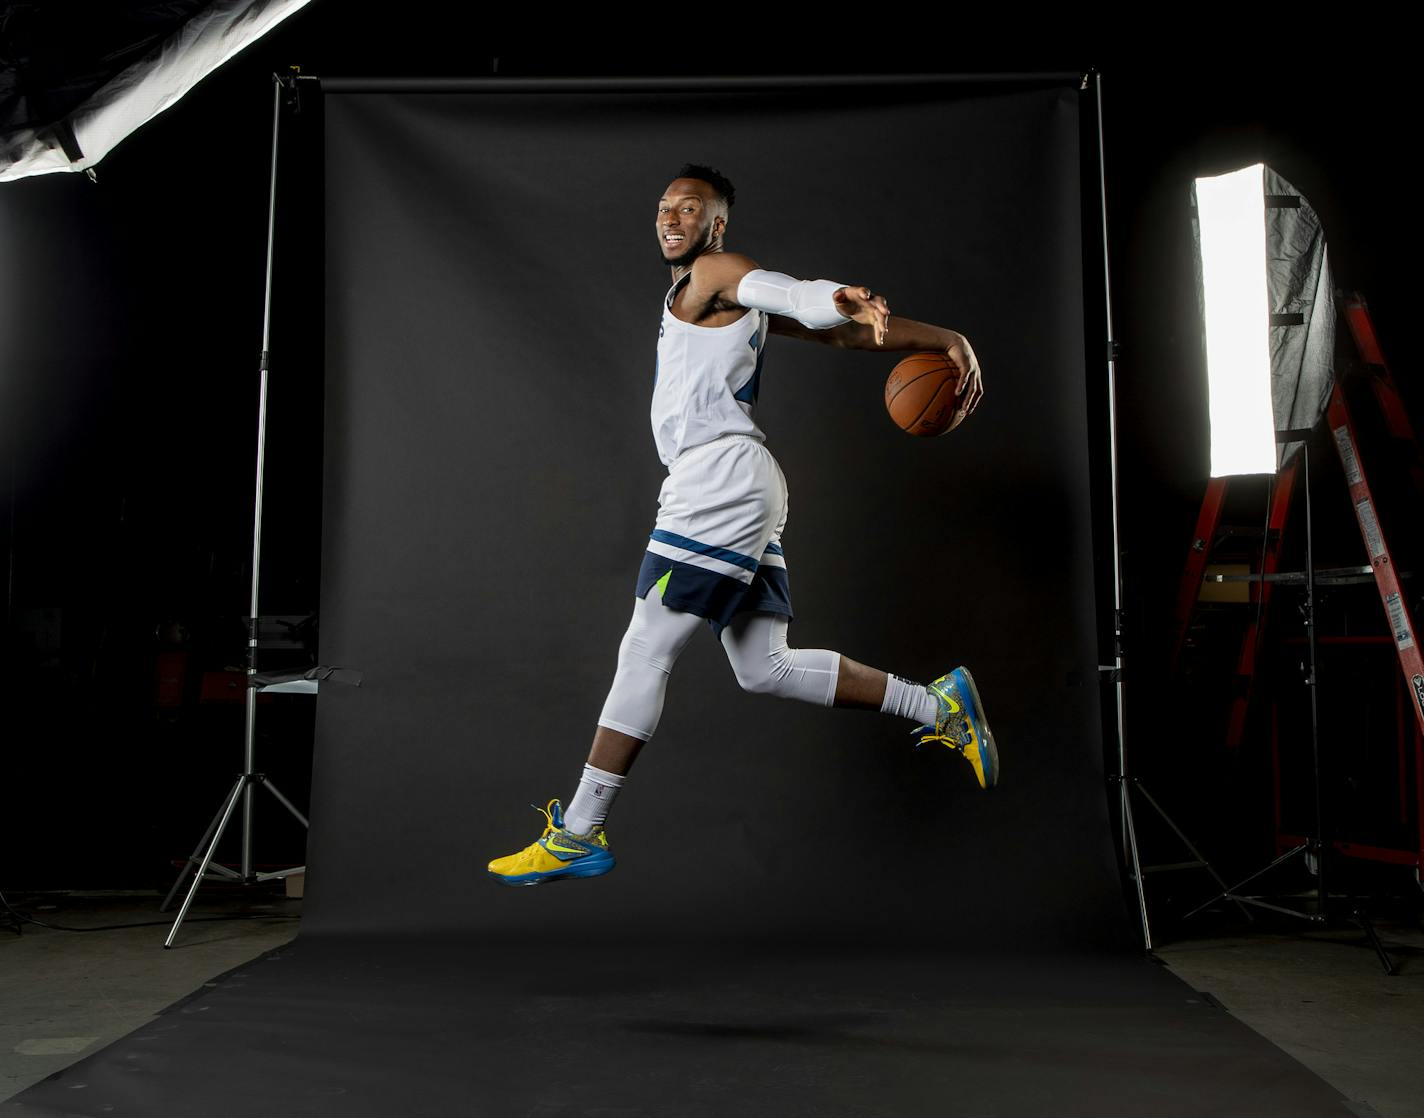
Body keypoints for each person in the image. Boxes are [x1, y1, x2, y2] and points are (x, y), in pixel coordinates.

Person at [488, 164, 995, 886]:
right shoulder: (716, 298)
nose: (671, 218)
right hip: (742, 482)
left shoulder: (716, 273)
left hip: (717, 483)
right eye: (664, 207)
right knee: (764, 668)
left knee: (645, 652)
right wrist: (948, 338)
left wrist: (832, 295)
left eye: (689, 208)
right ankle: (938, 704)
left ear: (716, 225)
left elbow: (784, 292)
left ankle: (579, 831)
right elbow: (847, 337)